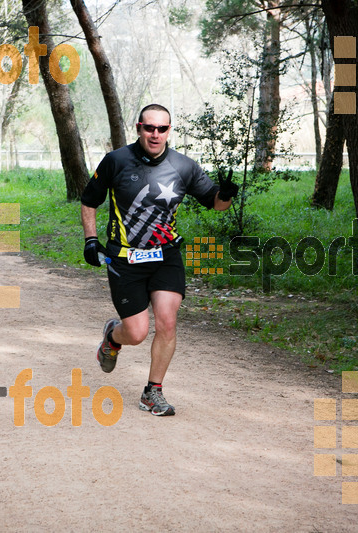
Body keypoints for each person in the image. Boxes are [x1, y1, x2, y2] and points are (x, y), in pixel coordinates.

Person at [80, 103, 239, 416]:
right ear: (139, 127)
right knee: (137, 332)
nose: (155, 134)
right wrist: (90, 240)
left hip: (166, 255)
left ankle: (153, 392)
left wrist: (228, 193)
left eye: (162, 128)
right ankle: (113, 336)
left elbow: (216, 203)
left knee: (167, 321)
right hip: (124, 259)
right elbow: (89, 201)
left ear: (169, 130)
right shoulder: (116, 161)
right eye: (149, 127)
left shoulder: (183, 166)